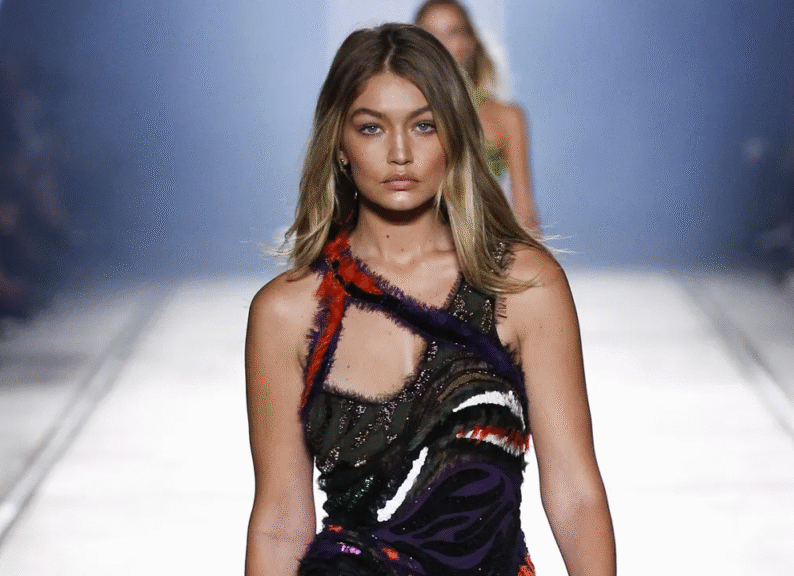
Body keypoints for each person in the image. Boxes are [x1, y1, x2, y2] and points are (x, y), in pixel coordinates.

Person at [245, 23, 614, 576]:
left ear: (456, 136)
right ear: (339, 145)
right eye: (372, 128)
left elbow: (575, 491)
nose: (400, 153)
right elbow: (279, 520)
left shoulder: (523, 287)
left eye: (424, 125)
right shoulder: (286, 312)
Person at [415, 0, 541, 232]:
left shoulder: (507, 118)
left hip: (482, 241)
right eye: (429, 34)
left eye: (453, 32)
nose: (441, 44)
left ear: (471, 42)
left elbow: (525, 212)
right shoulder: (397, 110)